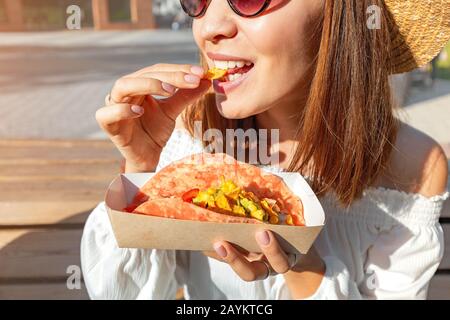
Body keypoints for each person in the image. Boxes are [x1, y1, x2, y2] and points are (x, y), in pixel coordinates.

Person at [81, 0, 450, 299]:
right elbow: (120, 293)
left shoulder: (414, 167)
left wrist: (303, 264)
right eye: (198, 1)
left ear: (341, 12)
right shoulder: (188, 131)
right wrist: (142, 171)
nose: (209, 28)